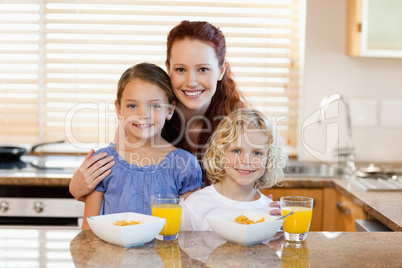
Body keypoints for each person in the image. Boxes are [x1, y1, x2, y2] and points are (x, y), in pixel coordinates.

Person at [69, 20, 281, 215]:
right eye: (180, 69)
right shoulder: (143, 122)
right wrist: (77, 188)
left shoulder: (238, 125)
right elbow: (122, 189)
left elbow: (244, 191)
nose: (191, 81)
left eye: (203, 69)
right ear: (168, 68)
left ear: (220, 70)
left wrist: (262, 207)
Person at [80, 63, 203, 230]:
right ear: (119, 109)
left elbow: (191, 231)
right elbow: (88, 231)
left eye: (154, 106)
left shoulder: (185, 164)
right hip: (111, 256)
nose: (143, 114)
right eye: (132, 106)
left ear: (170, 110)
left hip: (166, 255)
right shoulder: (103, 162)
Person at [180, 108, 287, 231]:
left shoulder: (272, 213)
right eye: (236, 151)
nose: (246, 160)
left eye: (257, 153)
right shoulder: (196, 205)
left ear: (269, 159)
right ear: (220, 153)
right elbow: (180, 248)